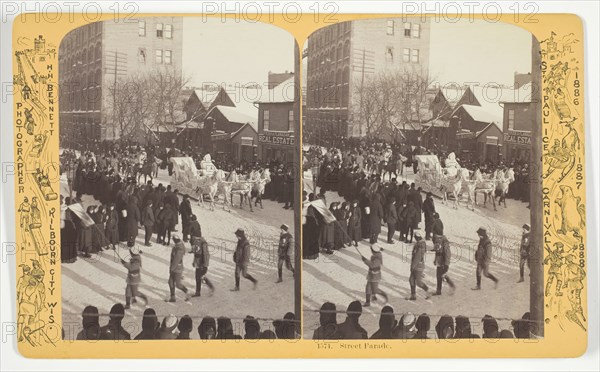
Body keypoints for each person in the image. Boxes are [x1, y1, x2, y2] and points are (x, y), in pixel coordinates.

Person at [120, 242, 148, 309]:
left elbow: (130, 267)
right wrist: (130, 249)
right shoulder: (136, 257)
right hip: (130, 279)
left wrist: (123, 262)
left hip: (134, 280)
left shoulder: (136, 262)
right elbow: (132, 253)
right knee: (128, 291)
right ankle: (127, 305)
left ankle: (144, 297)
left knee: (134, 293)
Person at [407, 232, 430, 301]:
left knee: (418, 282)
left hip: (418, 266)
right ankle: (413, 296)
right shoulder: (419, 244)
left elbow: (417, 257)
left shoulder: (420, 245)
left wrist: (412, 266)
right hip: (415, 266)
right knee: (411, 280)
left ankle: (428, 291)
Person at [167, 235, 190, 302]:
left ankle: (187, 292)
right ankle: (173, 297)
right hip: (174, 268)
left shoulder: (180, 249)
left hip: (177, 269)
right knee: (170, 282)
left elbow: (176, 260)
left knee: (178, 284)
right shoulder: (177, 246)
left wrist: (171, 268)